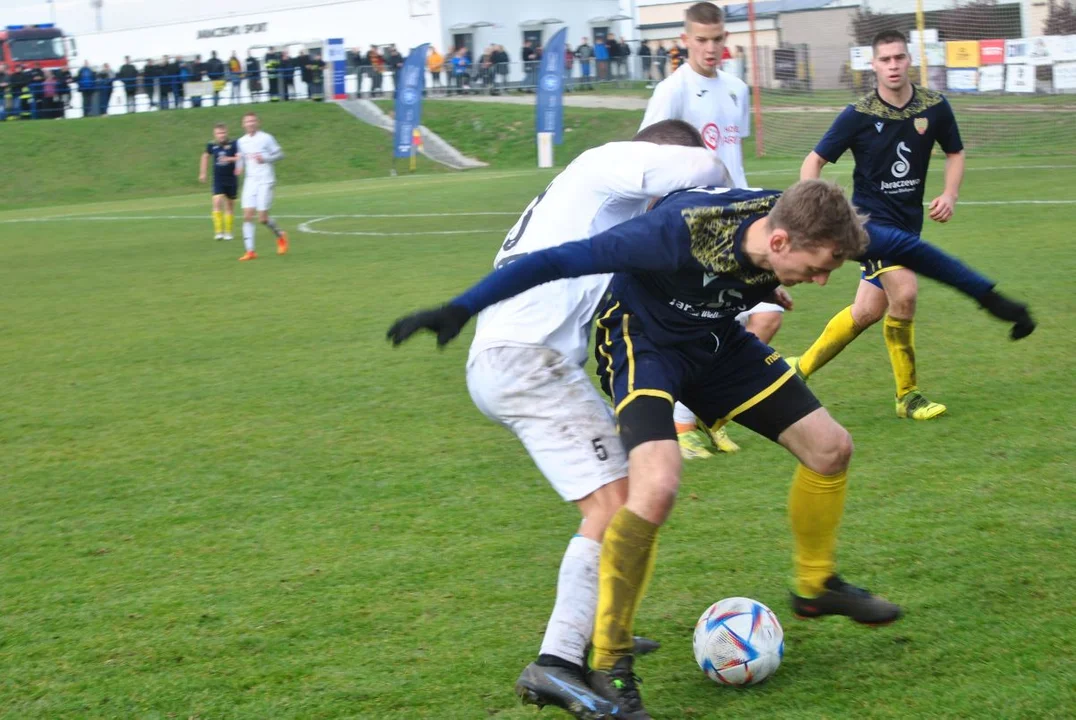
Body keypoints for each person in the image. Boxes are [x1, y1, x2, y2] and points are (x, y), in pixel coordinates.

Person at [388, 172, 1034, 717]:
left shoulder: (803, 221)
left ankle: (815, 585)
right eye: (816, 269)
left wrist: (992, 298)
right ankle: (612, 664)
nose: (822, 281)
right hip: (643, 342)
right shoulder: (669, 237)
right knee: (659, 482)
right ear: (780, 242)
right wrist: (460, 308)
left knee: (831, 448)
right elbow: (556, 259)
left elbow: (906, 249)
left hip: (718, 344)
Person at [402, 120, 731, 718]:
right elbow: (704, 168)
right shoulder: (608, 164)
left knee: (630, 492)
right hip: (528, 359)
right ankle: (557, 662)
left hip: (525, 357)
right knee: (616, 505)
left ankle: (603, 628)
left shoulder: (607, 208)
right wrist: (725, 191)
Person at [791, 29, 1034, 419]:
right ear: (873, 65)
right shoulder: (859, 114)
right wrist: (813, 204)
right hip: (869, 228)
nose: (893, 66)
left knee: (867, 312)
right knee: (904, 292)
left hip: (908, 225)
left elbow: (955, 152)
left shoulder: (934, 107)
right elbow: (814, 160)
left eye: (899, 58)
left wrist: (949, 194)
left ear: (909, 60)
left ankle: (798, 369)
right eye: (885, 59)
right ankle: (908, 396)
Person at [641, 1, 784, 458]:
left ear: (727, 38)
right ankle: (685, 423)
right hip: (693, 223)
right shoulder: (671, 91)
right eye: (700, 40)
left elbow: (733, 159)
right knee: (711, 322)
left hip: (741, 219)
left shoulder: (737, 88)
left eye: (717, 39)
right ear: (685, 40)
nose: (710, 48)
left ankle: (704, 412)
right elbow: (645, 156)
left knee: (764, 317)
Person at [235, 112, 289, 261]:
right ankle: (250, 251)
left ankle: (280, 235)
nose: (250, 124)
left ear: (257, 123)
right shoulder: (241, 141)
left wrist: (266, 158)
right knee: (247, 216)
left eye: (253, 121)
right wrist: (238, 167)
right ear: (243, 124)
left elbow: (281, 154)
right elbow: (241, 158)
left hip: (266, 180)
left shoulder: (266, 138)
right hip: (250, 181)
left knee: (262, 219)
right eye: (247, 121)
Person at [199, 123, 239, 241]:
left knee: (230, 205)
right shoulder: (212, 145)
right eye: (218, 133)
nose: (221, 135)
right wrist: (203, 172)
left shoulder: (234, 144)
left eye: (223, 133)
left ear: (227, 133)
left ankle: (228, 232)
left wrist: (230, 159)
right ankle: (218, 232)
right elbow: (205, 156)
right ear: (215, 134)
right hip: (218, 179)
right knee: (217, 202)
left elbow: (239, 157)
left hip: (231, 179)